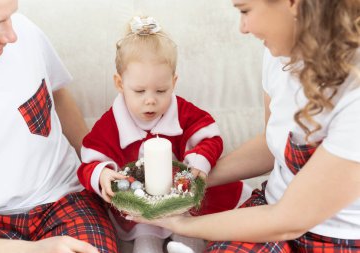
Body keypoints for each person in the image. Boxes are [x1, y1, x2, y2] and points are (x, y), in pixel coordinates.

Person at [131, 0, 360, 252]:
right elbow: (270, 146)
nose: (243, 27)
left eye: (244, 11)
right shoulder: (280, 55)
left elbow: (287, 222)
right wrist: (188, 182)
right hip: (269, 211)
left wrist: (178, 223)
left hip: (335, 238)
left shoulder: (354, 93)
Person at [77, 16, 248, 253]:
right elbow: (88, 162)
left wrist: (198, 163)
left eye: (161, 90)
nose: (150, 100)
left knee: (189, 225)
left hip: (181, 201)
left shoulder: (184, 113)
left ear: (174, 82)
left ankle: (186, 245)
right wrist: (102, 175)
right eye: (139, 91)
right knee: (146, 238)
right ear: (119, 83)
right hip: (140, 206)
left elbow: (211, 139)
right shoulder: (110, 124)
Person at [0, 0, 118, 252]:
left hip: (65, 197)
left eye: (10, 16)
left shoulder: (24, 32)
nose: (11, 36)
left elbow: (58, 95)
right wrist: (37, 250)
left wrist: (96, 166)